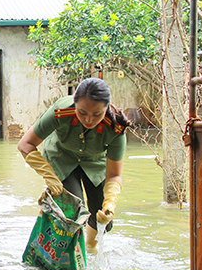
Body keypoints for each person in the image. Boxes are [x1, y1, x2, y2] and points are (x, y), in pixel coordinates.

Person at [16, 78, 129, 252]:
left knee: (104, 221)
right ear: (74, 103)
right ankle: (73, 248)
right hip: (62, 159)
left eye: (97, 114)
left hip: (94, 163)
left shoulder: (115, 127)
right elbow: (25, 144)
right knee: (72, 213)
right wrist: (49, 176)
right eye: (82, 112)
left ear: (106, 108)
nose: (89, 119)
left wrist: (110, 202)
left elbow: (114, 175)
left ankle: (89, 248)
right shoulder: (61, 111)